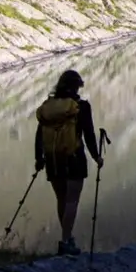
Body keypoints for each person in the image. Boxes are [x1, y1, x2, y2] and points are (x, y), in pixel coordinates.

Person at [34, 69, 102, 255]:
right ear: (76, 86)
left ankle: (67, 237)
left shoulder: (49, 106)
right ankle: (65, 241)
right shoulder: (81, 106)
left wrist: (38, 158)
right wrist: (96, 156)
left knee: (62, 199)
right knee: (72, 201)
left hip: (52, 159)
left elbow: (39, 135)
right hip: (74, 158)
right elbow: (88, 134)